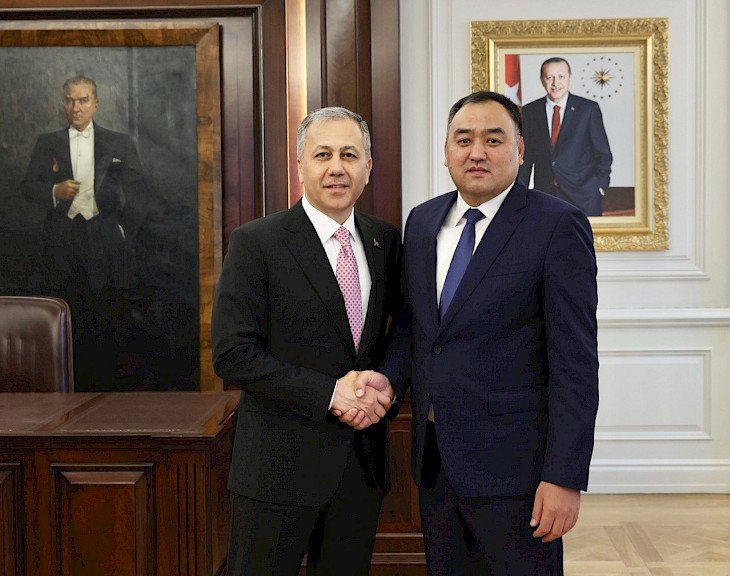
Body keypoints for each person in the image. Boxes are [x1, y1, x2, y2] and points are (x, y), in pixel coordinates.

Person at [341, 91, 599, 575]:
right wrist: (387, 379)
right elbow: (415, 329)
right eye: (463, 140)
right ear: (446, 151)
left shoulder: (557, 225)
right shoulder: (422, 222)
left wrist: (564, 477)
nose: (476, 152)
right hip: (435, 463)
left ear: (520, 150)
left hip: (517, 472)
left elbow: (576, 363)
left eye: (493, 140)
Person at [211, 107, 401, 575]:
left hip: (360, 466)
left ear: (368, 167)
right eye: (323, 155)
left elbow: (398, 333)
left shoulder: (384, 240)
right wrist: (329, 393)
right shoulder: (256, 242)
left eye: (349, 155)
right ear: (300, 166)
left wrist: (384, 383)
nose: (337, 167)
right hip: (277, 469)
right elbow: (233, 354)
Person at [21, 75, 151, 390]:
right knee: (67, 315)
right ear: (63, 104)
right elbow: (27, 186)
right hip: (61, 241)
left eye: (83, 100)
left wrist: (123, 230)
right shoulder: (47, 142)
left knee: (107, 314)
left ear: (96, 104)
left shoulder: (119, 142)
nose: (76, 107)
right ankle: (70, 389)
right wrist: (54, 190)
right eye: (70, 100)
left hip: (104, 239)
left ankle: (108, 389)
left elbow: (140, 192)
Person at [518, 57, 612, 216]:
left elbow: (603, 153)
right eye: (550, 77)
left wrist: (600, 187)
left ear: (569, 78)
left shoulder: (588, 109)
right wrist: (520, 194)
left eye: (561, 77)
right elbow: (525, 158)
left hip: (584, 196)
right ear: (542, 80)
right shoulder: (530, 111)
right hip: (545, 195)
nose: (556, 83)